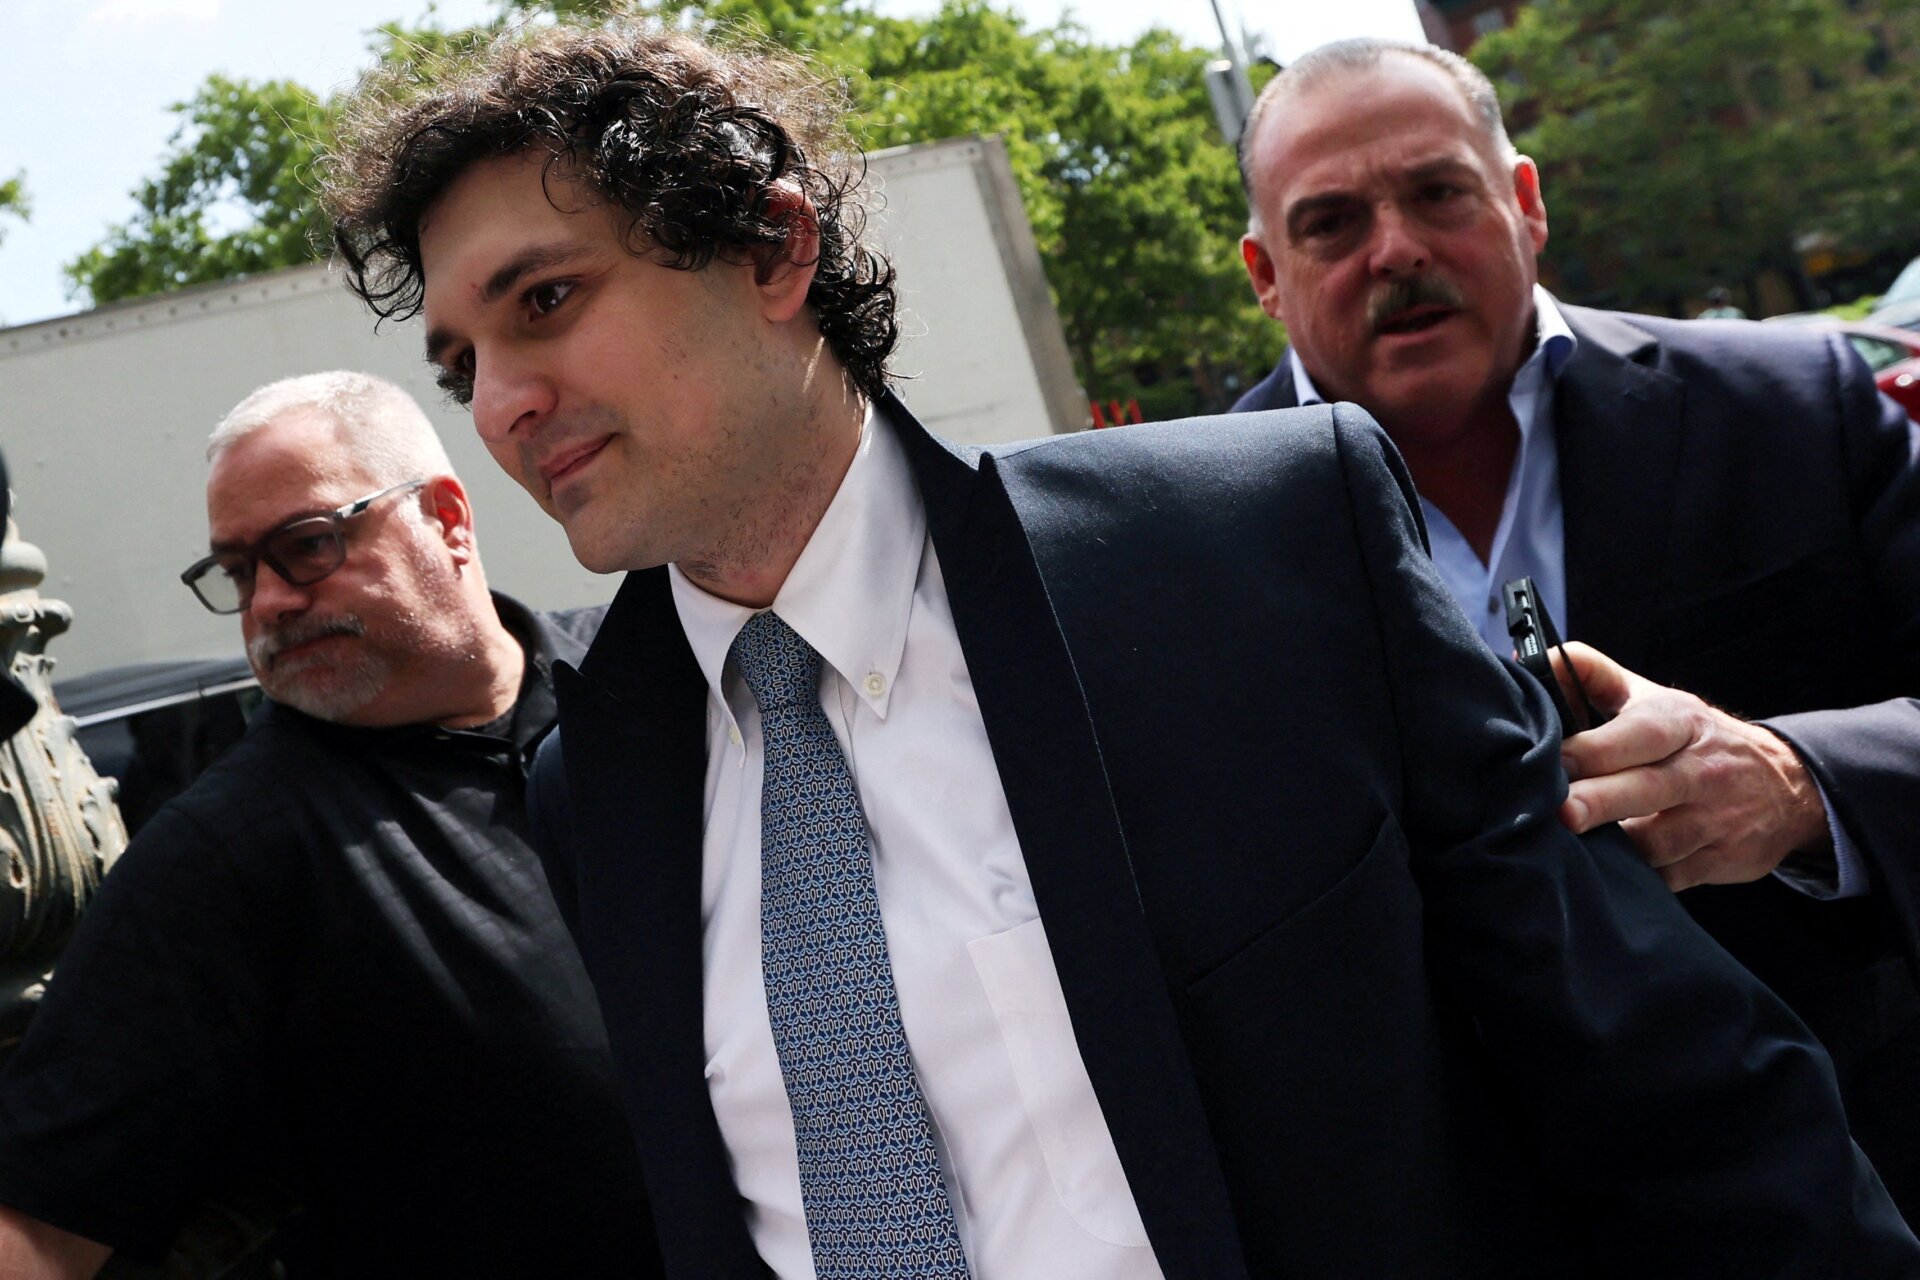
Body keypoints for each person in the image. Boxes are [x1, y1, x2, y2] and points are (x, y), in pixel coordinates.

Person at [323, 20, 1920, 1278]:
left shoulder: (1251, 552)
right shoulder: (589, 786)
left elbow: (1673, 1089)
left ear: (771, 252)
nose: (502, 405)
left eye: (547, 301)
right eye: (462, 365)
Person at [1231, 36, 1920, 1218]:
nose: (1396, 249)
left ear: (1526, 202)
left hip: (1860, 1168)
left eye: (1438, 191)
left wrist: (1799, 783)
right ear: (1265, 274)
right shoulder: (1186, 554)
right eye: (1331, 222)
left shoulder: (1793, 405)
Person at [0, 373, 655, 1278]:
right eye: (239, 572)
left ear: (448, 520)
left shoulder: (655, 679)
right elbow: (37, 1232)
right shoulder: (222, 854)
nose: (268, 602)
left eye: (306, 546)